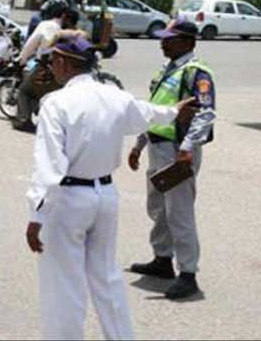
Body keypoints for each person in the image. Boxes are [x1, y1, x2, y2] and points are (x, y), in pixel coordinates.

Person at [24, 36, 199, 340]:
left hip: (67, 200)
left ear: (64, 63)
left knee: (64, 286)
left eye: (52, 61)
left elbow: (49, 168)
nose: (51, 68)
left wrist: (36, 216)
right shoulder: (114, 95)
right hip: (105, 196)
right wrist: (174, 111)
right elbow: (146, 114)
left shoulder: (56, 103)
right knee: (106, 278)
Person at [128, 19, 216, 300]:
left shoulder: (197, 73)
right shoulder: (168, 70)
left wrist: (188, 147)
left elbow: (206, 113)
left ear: (188, 42)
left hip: (178, 150)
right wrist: (139, 144)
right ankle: (162, 259)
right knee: (158, 208)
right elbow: (156, 110)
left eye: (170, 38)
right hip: (158, 146)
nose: (163, 42)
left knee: (179, 212)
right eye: (163, 38)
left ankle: (188, 274)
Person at [14, 0, 83, 131]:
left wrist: (21, 59)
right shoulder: (70, 29)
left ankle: (23, 121)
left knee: (25, 91)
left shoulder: (45, 25)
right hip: (70, 70)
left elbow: (30, 46)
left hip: (48, 68)